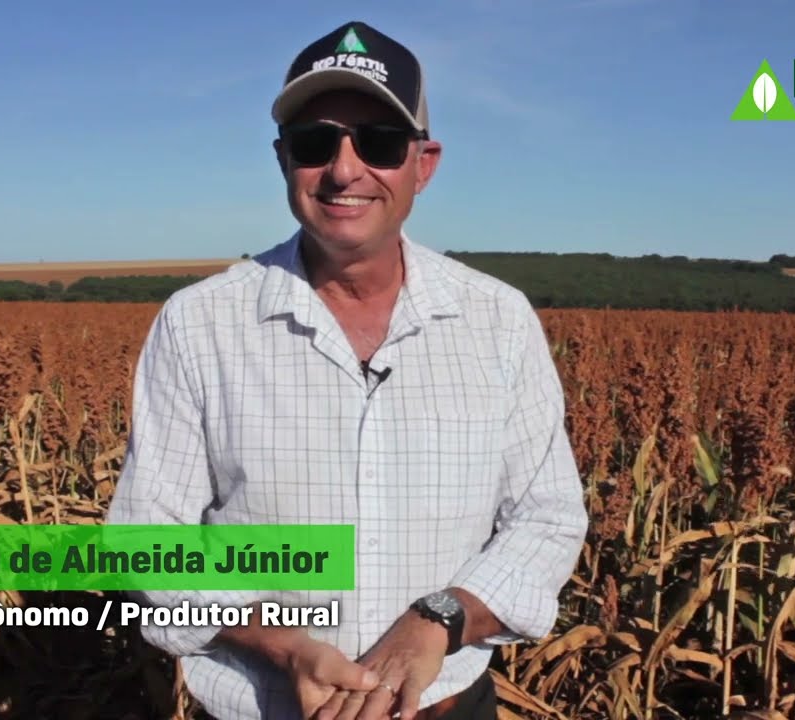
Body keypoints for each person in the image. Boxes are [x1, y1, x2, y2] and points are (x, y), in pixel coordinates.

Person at [105, 19, 588, 720]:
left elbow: (545, 519)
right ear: (283, 161)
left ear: (424, 163)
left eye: (381, 143)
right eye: (315, 142)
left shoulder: (498, 321)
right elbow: (150, 537)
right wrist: (285, 647)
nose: (344, 169)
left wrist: (438, 619)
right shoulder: (199, 323)